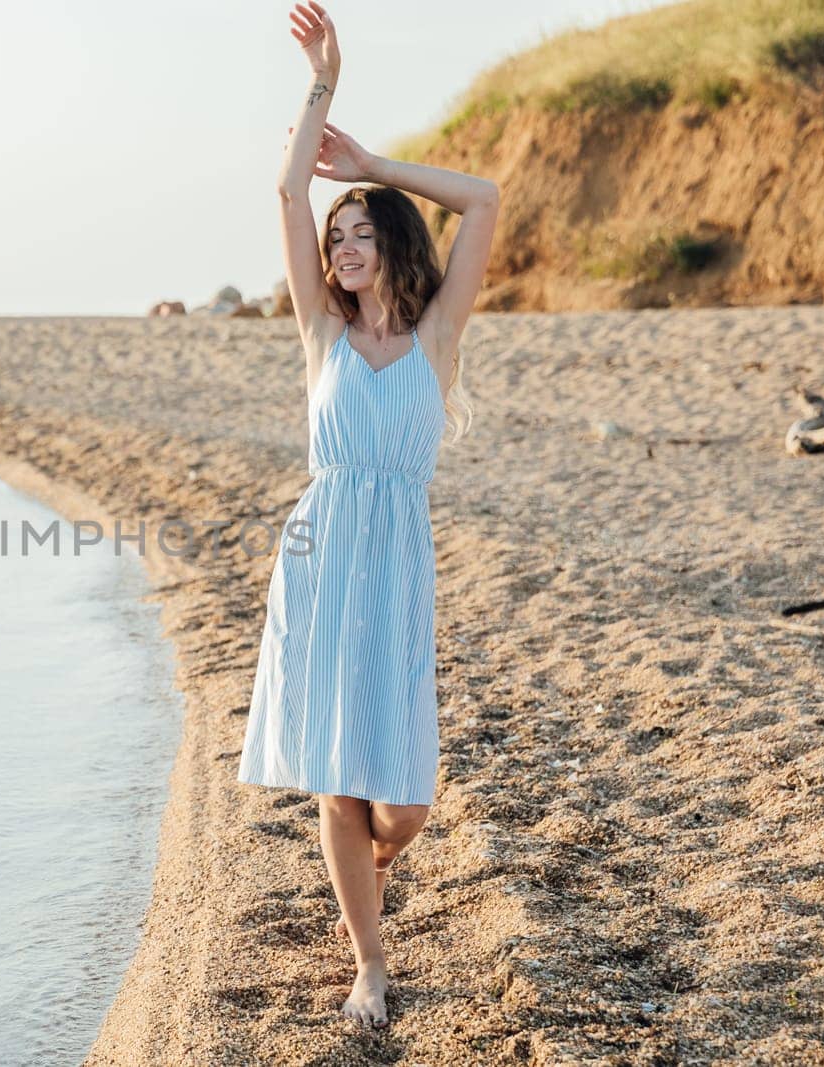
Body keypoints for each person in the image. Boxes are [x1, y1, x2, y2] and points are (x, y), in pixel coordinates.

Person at [235, 0, 499, 1032]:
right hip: (317, 558)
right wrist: (322, 80)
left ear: (389, 237)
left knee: (405, 805)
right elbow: (286, 187)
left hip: (395, 566)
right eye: (332, 236)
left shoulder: (436, 338)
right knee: (339, 783)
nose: (340, 245)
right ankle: (369, 962)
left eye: (358, 231)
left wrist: (377, 166)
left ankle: (362, 868)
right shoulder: (319, 334)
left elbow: (481, 199)